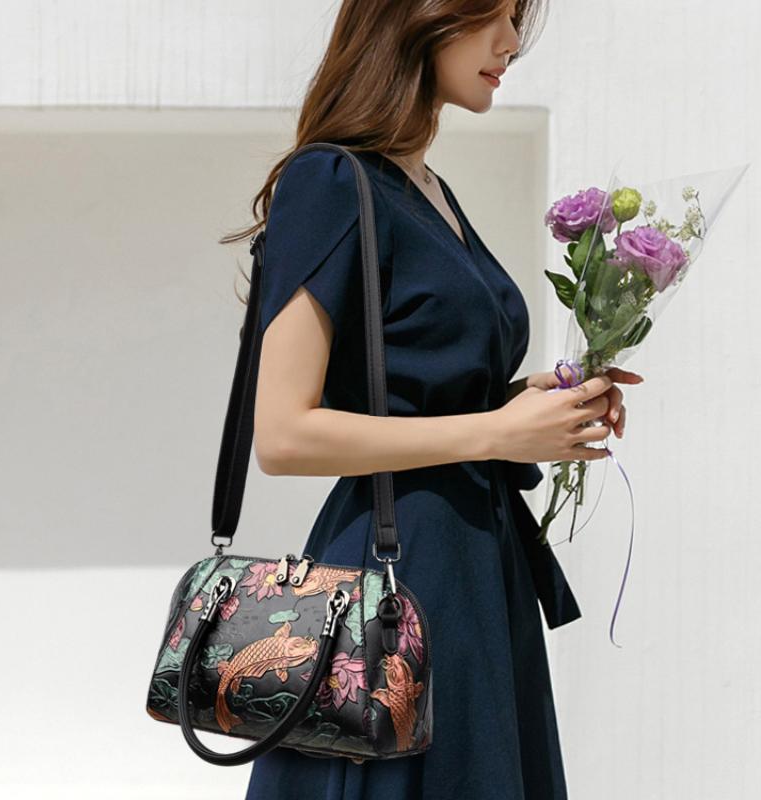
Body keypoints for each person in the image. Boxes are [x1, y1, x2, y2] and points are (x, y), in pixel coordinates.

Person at [221, 1, 642, 797]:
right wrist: (495, 433)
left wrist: (540, 402)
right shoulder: (331, 180)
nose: (511, 43)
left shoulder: (424, 186)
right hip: (401, 574)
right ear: (418, 15)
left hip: (478, 566)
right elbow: (282, 434)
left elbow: (417, 395)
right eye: (494, 15)